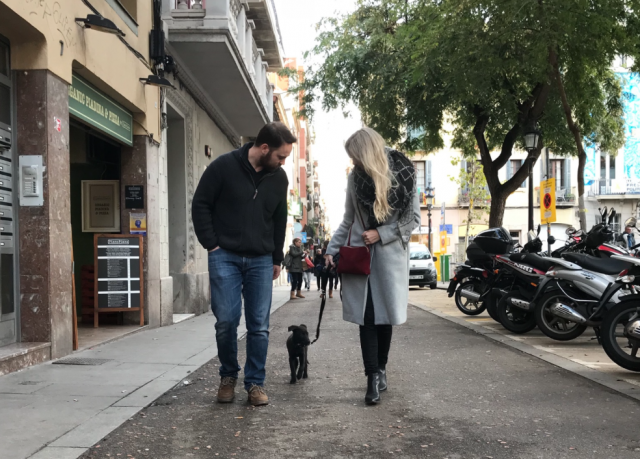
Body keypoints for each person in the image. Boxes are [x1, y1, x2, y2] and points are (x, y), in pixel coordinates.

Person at [192, 121, 296, 407]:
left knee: (259, 325)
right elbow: (201, 204)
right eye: (280, 156)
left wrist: (277, 257)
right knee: (226, 320)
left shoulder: (279, 178)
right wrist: (211, 244)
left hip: (261, 260)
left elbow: (278, 218)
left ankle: (255, 383)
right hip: (224, 254)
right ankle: (228, 376)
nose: (283, 162)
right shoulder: (223, 167)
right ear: (264, 148)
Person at [325, 127, 420, 405]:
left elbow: (412, 219)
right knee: (366, 319)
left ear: (367, 153)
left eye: (356, 156)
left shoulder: (404, 173)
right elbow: (348, 219)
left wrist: (382, 233)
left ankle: (381, 368)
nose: (353, 162)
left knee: (384, 317)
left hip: (389, 257)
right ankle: (371, 378)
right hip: (360, 255)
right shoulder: (355, 178)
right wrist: (331, 251)